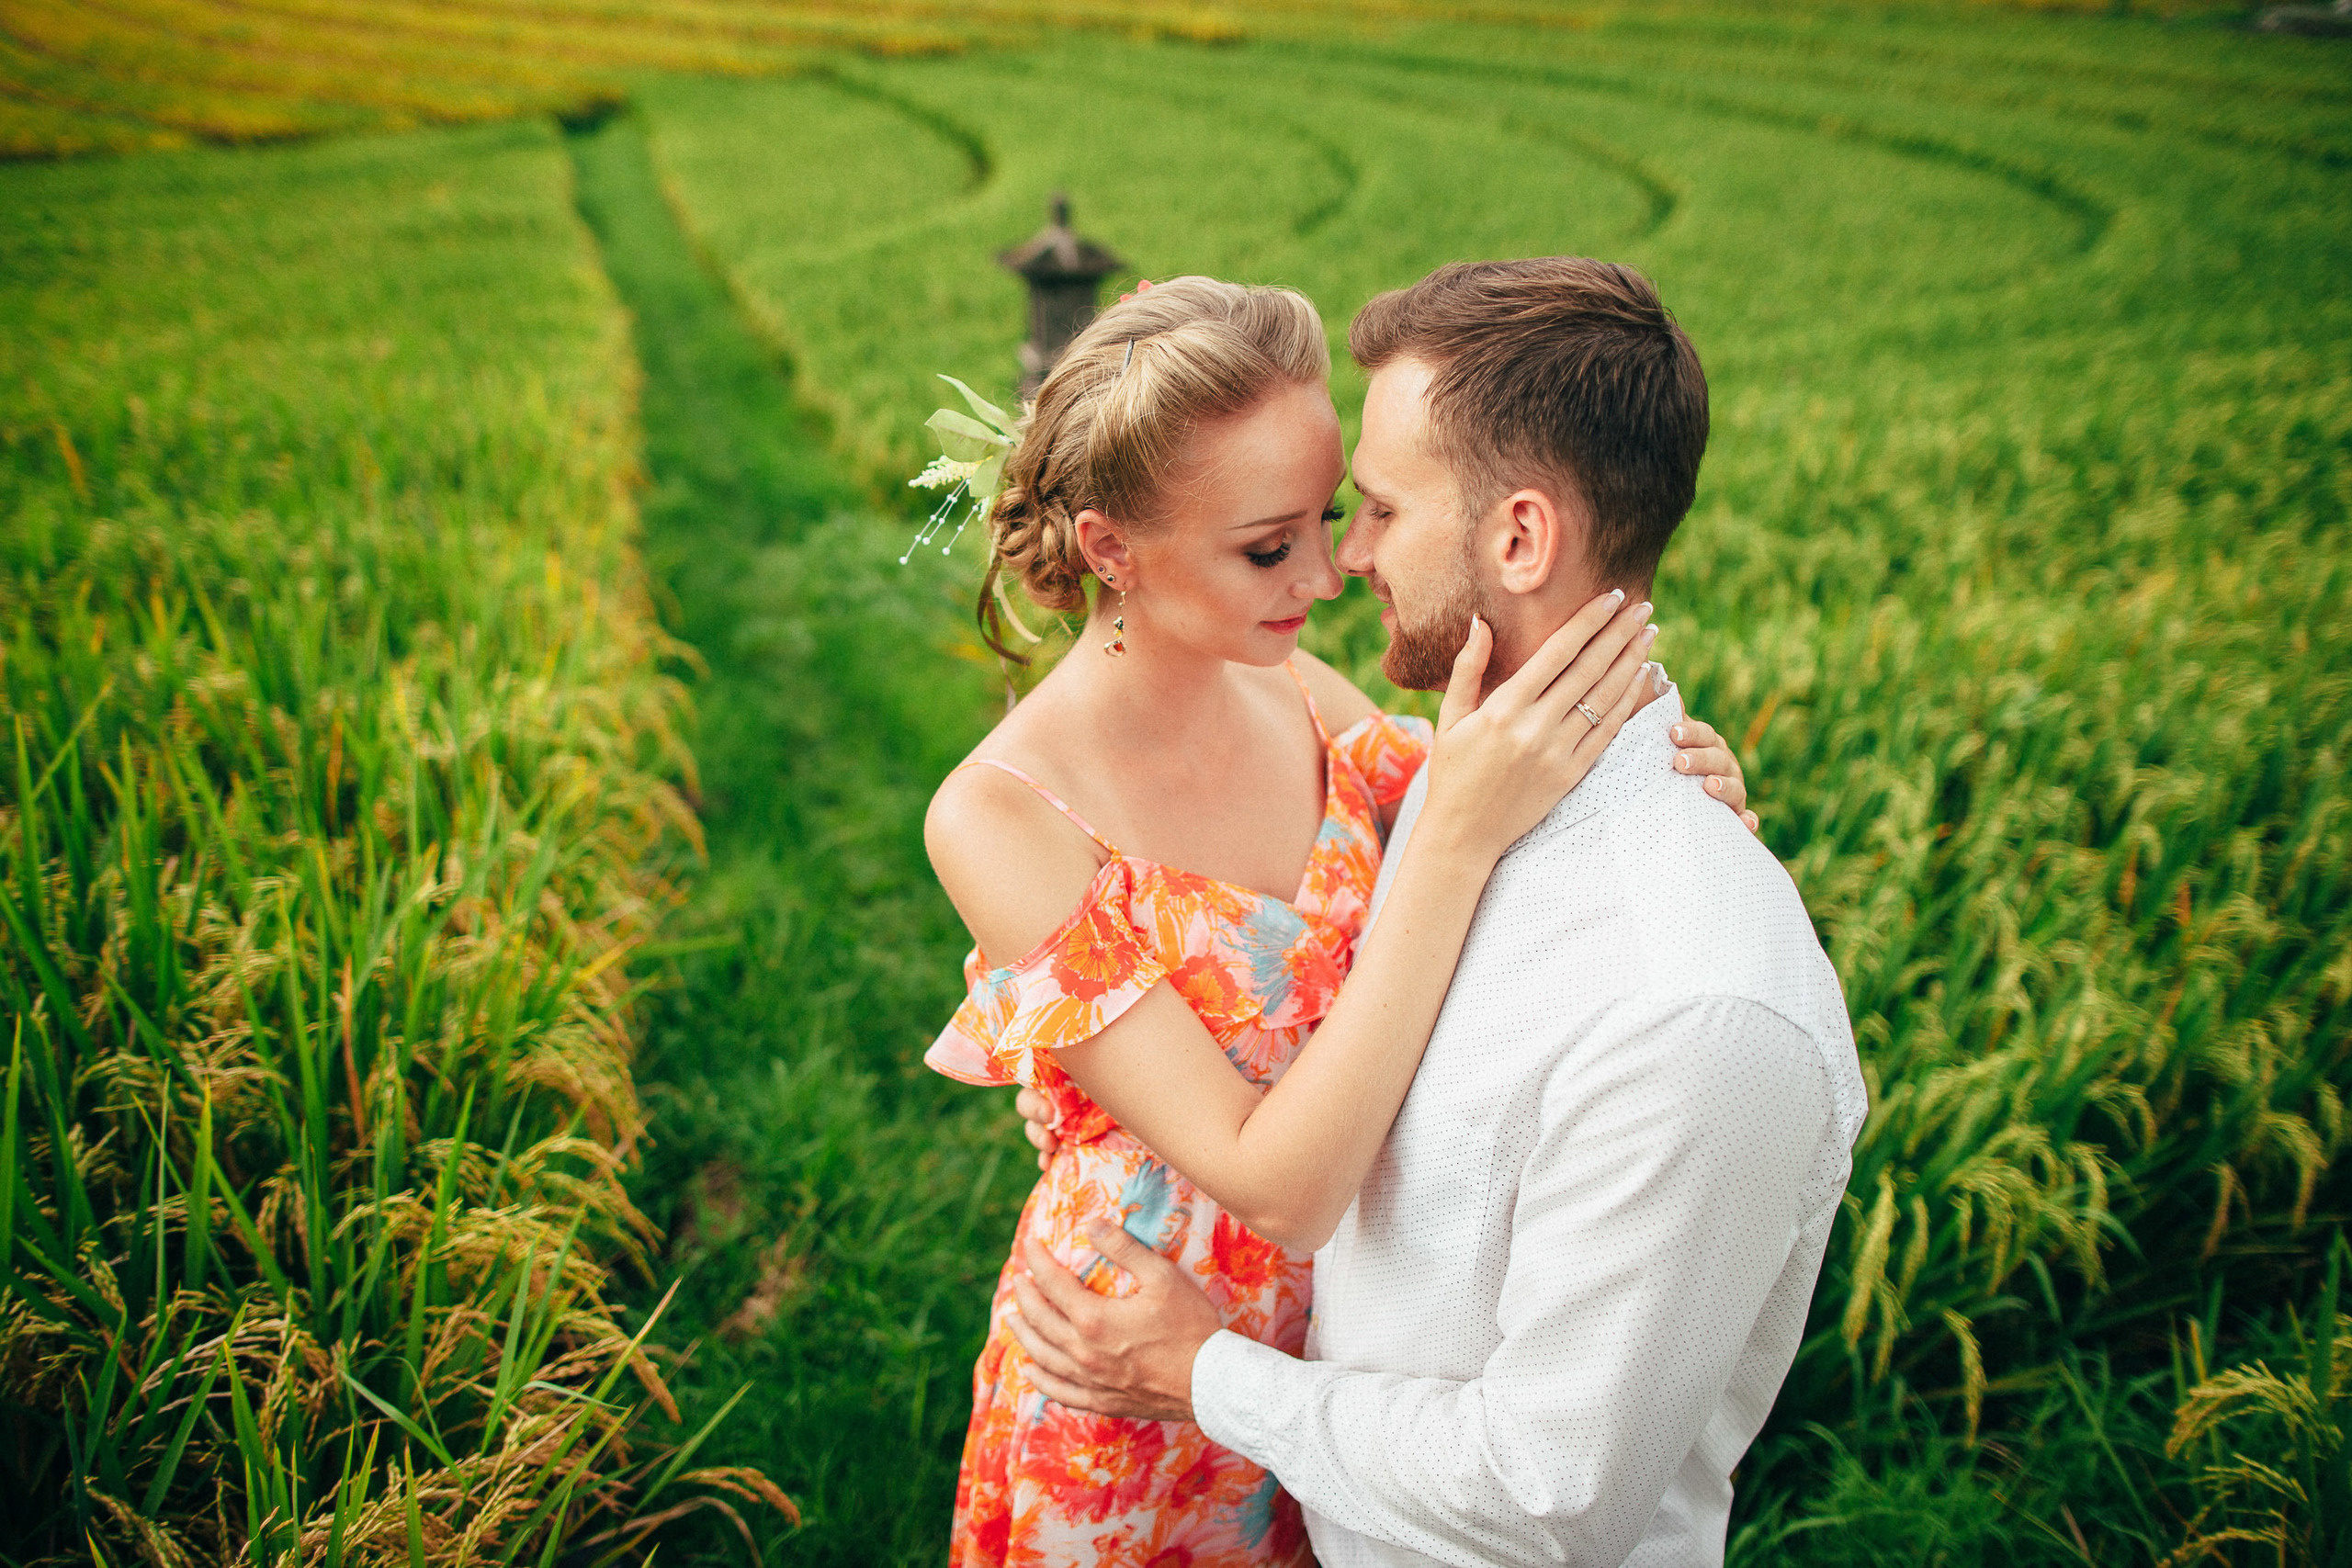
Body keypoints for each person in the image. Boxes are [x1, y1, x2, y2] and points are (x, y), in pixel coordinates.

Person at [1002, 260, 1868, 1568]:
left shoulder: (1694, 1013)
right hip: (1244, 1434)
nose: (1341, 564)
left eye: (1373, 510)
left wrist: (1212, 1376)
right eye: (1288, 533)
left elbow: (1548, 1501)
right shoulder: (1453, 789)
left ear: (1518, 540)